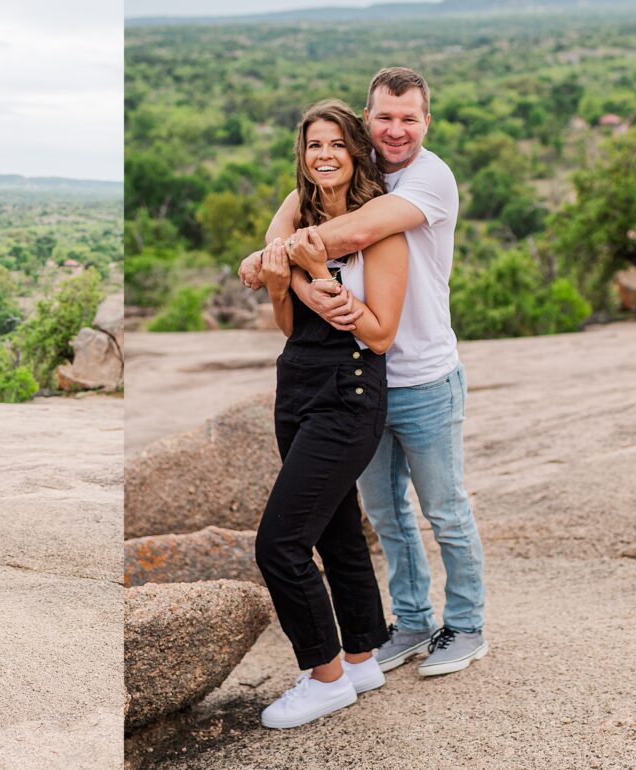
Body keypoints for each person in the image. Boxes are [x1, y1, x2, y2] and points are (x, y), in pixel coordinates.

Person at [240, 67, 487, 678]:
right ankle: (410, 621)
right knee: (387, 516)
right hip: (366, 383)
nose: (396, 129)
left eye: (409, 118)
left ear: (426, 121)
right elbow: (285, 230)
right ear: (367, 120)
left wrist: (277, 260)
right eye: (384, 118)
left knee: (445, 510)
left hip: (425, 374)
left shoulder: (428, 178)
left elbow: (356, 230)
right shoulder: (348, 173)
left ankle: (467, 624)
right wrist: (288, 267)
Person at [254, 99, 408, 729]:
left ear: (356, 152)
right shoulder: (298, 216)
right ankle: (362, 656)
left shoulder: (380, 230)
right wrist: (276, 281)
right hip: (297, 385)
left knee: (279, 545)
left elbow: (378, 335)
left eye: (337, 145)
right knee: (334, 529)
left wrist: (315, 268)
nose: (324, 156)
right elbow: (289, 325)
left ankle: (323, 677)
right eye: (314, 145)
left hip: (350, 392)